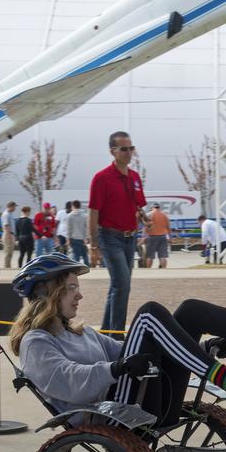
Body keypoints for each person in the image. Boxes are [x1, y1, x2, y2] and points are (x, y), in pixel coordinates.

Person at [9, 253, 226, 426]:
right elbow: (67, 382)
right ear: (45, 293)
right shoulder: (35, 343)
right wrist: (117, 369)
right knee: (148, 315)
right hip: (112, 414)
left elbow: (126, 353)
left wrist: (201, 349)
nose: (79, 294)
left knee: (190, 311)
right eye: (70, 287)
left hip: (144, 398)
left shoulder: (80, 331)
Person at [89, 131, 147, 334]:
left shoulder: (134, 177)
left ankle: (107, 332)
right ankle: (117, 336)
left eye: (131, 148)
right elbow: (93, 212)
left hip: (130, 238)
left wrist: (143, 217)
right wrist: (94, 246)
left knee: (118, 287)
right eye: (124, 149)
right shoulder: (101, 178)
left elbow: (136, 205)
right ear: (112, 151)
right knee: (122, 285)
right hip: (110, 237)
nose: (129, 152)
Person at [144, 203, 170, 269]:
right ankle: (164, 270)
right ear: (159, 207)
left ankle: (148, 270)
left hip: (152, 237)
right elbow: (168, 228)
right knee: (163, 256)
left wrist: (144, 237)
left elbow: (146, 227)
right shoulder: (164, 215)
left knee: (150, 256)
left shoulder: (149, 214)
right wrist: (170, 238)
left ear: (153, 207)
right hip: (163, 237)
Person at [64, 200, 89, 266]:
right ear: (80, 206)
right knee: (85, 255)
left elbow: (69, 229)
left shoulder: (69, 216)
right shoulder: (85, 216)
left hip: (73, 238)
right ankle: (88, 268)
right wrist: (86, 238)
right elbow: (86, 228)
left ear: (73, 206)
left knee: (76, 255)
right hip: (83, 239)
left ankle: (76, 269)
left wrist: (68, 239)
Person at [0, 201, 18, 268]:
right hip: (8, 235)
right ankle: (6, 267)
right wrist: (9, 236)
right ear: (10, 206)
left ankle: (8, 266)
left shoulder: (10, 214)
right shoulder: (6, 214)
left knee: (10, 253)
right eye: (14, 207)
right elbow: (6, 226)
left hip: (11, 234)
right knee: (7, 252)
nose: (15, 208)